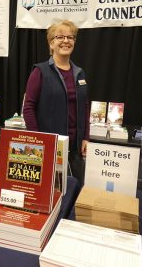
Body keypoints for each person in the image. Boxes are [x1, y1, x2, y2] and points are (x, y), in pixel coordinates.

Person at [23, 20, 90, 187]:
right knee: (51, 192)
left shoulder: (79, 73)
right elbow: (28, 108)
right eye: (60, 36)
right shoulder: (40, 72)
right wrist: (38, 141)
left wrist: (86, 138)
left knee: (74, 192)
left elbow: (85, 107)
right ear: (51, 43)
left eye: (70, 37)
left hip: (75, 150)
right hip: (50, 149)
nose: (66, 41)